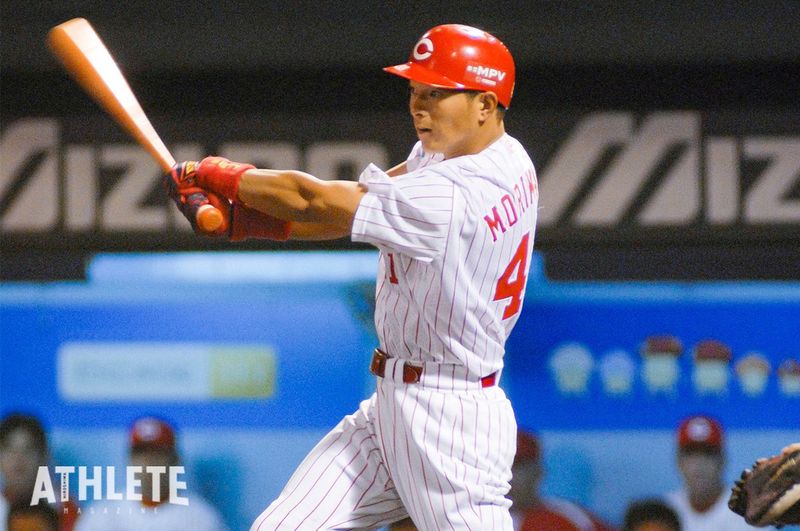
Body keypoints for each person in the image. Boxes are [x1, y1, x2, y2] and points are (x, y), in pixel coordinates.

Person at [164, 23, 538, 530]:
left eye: (437, 93)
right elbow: (348, 211)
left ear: (485, 104)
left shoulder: (454, 197)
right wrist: (255, 223)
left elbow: (314, 199)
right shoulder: (500, 155)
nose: (419, 106)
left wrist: (219, 174)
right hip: (389, 410)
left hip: (452, 423)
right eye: (415, 90)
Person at [74, 416, 228, 531]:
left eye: (157, 454)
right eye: (141, 454)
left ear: (175, 460)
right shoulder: (102, 515)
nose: (148, 462)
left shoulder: (201, 518)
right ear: (129, 460)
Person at [663, 414, 756, 530]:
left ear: (723, 460)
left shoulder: (746, 514)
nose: (699, 464)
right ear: (678, 460)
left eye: (708, 453)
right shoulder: (664, 512)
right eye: (690, 453)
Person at [509, 430, 614, 531]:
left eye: (516, 466)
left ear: (538, 472)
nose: (506, 476)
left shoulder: (572, 517)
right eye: (501, 467)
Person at [0, 413, 78, 531]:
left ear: (43, 456)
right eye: (10, 450)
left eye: (28, 450)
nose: (18, 459)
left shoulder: (65, 508)